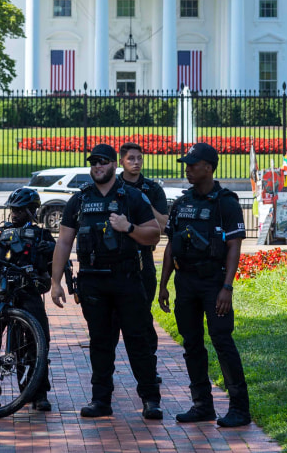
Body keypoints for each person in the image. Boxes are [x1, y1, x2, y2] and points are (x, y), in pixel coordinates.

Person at [50, 143, 163, 419]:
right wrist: (55, 282)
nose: (97, 167)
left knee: (138, 341)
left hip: (127, 279)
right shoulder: (79, 200)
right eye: (94, 163)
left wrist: (129, 228)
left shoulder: (132, 197)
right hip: (92, 281)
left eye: (102, 162)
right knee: (100, 343)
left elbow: (154, 235)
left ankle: (150, 399)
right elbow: (64, 241)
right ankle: (101, 400)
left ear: (114, 165)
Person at [158, 142, 252, 428]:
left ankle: (239, 408)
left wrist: (227, 288)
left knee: (223, 342)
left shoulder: (226, 202)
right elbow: (171, 247)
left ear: (208, 168)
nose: (187, 169)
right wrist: (163, 285)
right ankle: (202, 405)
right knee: (192, 344)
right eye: (186, 164)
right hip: (185, 282)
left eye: (192, 164)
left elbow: (234, 246)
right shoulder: (183, 203)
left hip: (214, 283)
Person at [0, 187, 56, 411]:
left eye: (20, 210)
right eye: (13, 209)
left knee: (39, 341)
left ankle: (38, 393)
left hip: (29, 293)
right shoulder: (1, 237)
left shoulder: (43, 237)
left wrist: (52, 250)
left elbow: (51, 275)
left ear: (32, 211)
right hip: (2, 294)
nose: (15, 214)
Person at [117, 142, 171, 304]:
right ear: (121, 162)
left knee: (142, 317)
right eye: (131, 159)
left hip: (143, 257)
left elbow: (164, 226)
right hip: (117, 257)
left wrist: (144, 203)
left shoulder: (153, 189)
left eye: (139, 159)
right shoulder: (113, 187)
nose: (136, 162)